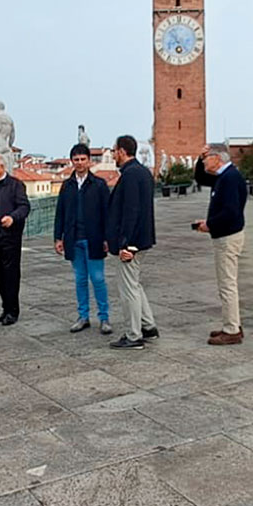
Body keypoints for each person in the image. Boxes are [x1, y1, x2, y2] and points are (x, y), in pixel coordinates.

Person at [106, 135, 159, 350]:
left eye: (114, 151)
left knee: (128, 289)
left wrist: (126, 244)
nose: (113, 155)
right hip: (142, 239)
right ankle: (148, 326)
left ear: (121, 151)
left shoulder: (129, 175)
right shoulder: (143, 172)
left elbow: (131, 212)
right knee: (134, 285)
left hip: (132, 243)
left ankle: (134, 335)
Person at [194, 143, 248, 345]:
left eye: (207, 158)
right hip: (226, 235)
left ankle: (231, 329)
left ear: (217, 158)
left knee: (227, 285)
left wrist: (210, 224)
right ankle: (232, 324)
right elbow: (201, 178)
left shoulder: (229, 178)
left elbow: (230, 212)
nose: (205, 161)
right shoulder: (224, 176)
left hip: (227, 237)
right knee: (227, 283)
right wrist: (199, 159)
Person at [54, 144, 112, 334]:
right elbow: (60, 213)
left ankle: (104, 317)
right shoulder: (67, 186)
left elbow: (107, 213)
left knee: (98, 279)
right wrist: (58, 237)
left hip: (94, 238)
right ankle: (83, 316)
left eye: (82, 159)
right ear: (72, 161)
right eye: (76, 160)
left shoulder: (99, 185)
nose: (79, 163)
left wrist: (107, 238)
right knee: (80, 279)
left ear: (89, 161)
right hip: (73, 239)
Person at [0, 154, 30, 325]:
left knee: (11, 274)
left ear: (1, 167)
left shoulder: (15, 185)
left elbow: (24, 207)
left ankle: (13, 311)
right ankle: (5, 308)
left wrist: (12, 218)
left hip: (10, 237)